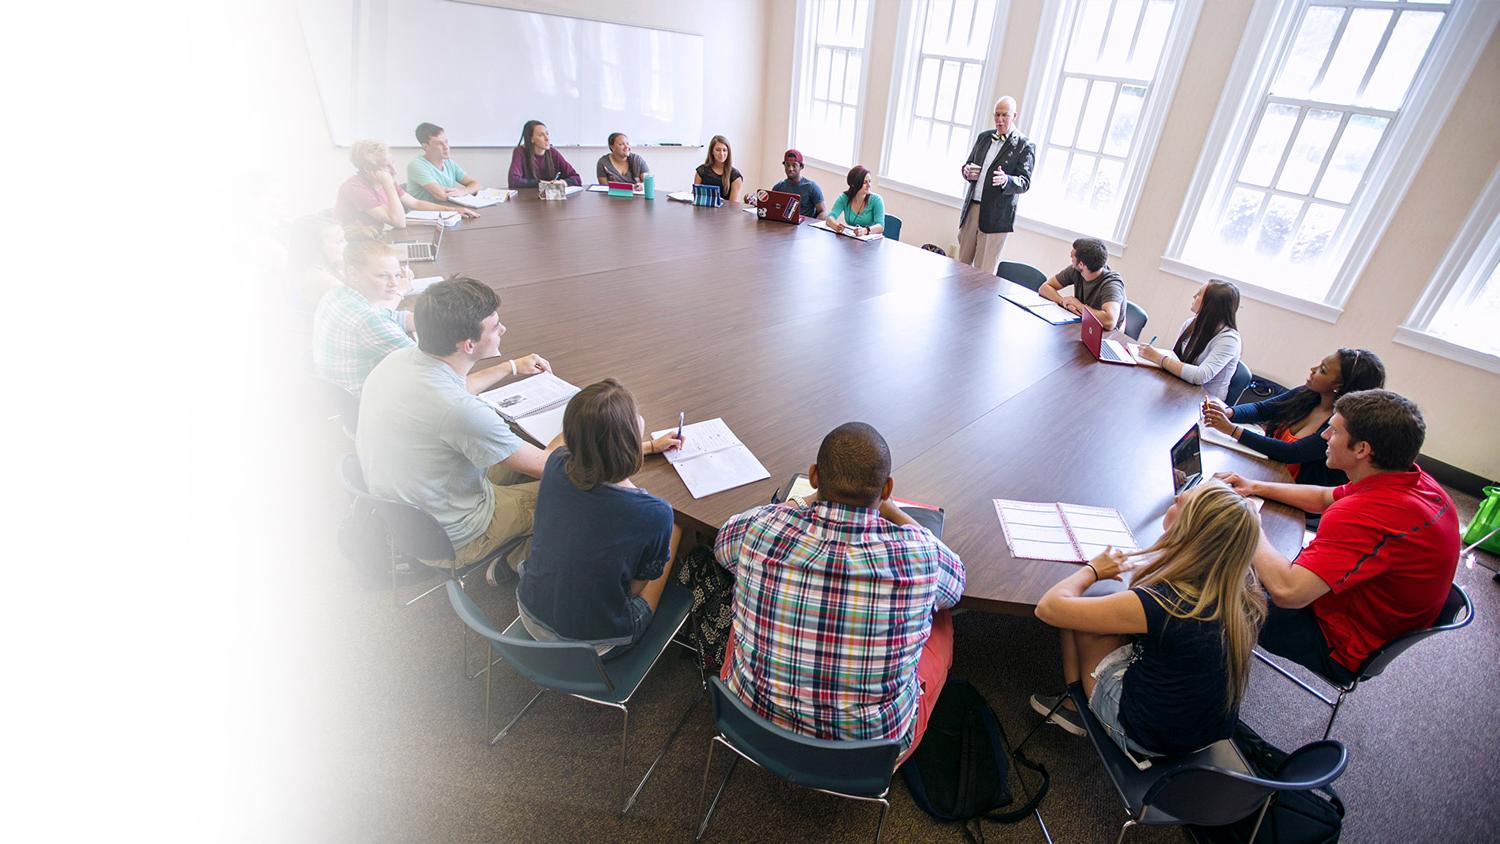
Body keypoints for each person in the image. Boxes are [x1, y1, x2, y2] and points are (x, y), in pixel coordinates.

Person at [714, 422, 965, 760]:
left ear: (815, 476)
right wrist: (889, 508)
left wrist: (802, 502)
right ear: (887, 487)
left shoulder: (760, 529)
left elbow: (723, 546)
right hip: (868, 754)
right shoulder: (920, 554)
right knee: (942, 619)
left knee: (746, 598)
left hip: (751, 722)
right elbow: (957, 582)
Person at [1215, 389, 1459, 684]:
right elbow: (1324, 496)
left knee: (1215, 574)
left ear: (1362, 449)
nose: (1324, 435)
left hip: (1340, 644)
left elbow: (1287, 591)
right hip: (1378, 616)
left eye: (1335, 430)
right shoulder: (1414, 481)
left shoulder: (1367, 515)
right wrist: (1254, 487)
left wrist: (1249, 522)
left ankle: (1192, 679)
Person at [1030, 481, 1266, 756]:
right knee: (1113, 619)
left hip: (1148, 735)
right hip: (1205, 732)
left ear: (1189, 531)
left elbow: (1048, 608)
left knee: (1080, 616)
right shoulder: (1243, 590)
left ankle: (1074, 706)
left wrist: (1092, 570)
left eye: (1181, 503)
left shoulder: (1164, 602)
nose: (1176, 496)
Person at [356, 278, 558, 577]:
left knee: (513, 451)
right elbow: (551, 465)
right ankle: (517, 561)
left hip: (415, 517)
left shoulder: (398, 361)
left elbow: (456, 388)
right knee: (576, 494)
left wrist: (510, 367)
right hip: (459, 535)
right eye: (495, 326)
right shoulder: (458, 411)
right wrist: (574, 420)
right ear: (469, 344)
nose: (503, 330)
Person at [516, 379, 685, 658]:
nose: (641, 419)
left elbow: (584, 449)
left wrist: (652, 446)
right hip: (594, 646)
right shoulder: (655, 513)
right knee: (677, 528)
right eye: (636, 418)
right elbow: (633, 590)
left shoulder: (556, 463)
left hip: (529, 612)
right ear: (630, 436)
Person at [1203, 348, 1386, 487]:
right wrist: (1229, 413)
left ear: (1338, 385)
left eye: (1322, 370)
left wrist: (1231, 429)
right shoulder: (1306, 394)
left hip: (1289, 491)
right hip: (1262, 470)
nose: (1312, 370)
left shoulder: (1340, 425)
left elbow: (1292, 452)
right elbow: (1262, 409)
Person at [312, 239, 414, 395]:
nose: (394, 283)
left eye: (397, 275)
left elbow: (389, 315)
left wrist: (431, 321)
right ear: (353, 274)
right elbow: (428, 365)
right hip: (367, 404)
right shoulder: (369, 320)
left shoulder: (337, 293)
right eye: (383, 276)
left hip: (338, 399)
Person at [958, 97, 1034, 274]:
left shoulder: (1024, 145)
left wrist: (1007, 180)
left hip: (996, 215)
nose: (1000, 120)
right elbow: (968, 164)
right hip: (972, 208)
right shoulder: (984, 137)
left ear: (1014, 116)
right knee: (961, 266)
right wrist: (967, 170)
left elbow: (1025, 182)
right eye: (997, 115)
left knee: (983, 272)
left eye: (1004, 115)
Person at [1136, 281, 1243, 401]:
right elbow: (1176, 359)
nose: (1194, 296)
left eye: (1199, 294)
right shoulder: (1190, 323)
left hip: (1206, 405)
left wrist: (1158, 357)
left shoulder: (1229, 340)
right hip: (1180, 390)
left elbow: (1200, 376)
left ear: (1211, 304)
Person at [335, 139, 478, 228]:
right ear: (368, 169)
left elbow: (416, 203)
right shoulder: (355, 189)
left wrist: (454, 211)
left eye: (393, 164)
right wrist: (389, 185)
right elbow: (398, 222)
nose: (395, 171)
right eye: (387, 167)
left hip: (375, 239)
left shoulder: (385, 181)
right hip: (357, 246)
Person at [1038, 237, 1125, 331]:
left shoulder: (1112, 284)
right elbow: (1045, 287)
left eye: (1072, 256)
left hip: (1106, 335)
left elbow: (1110, 321)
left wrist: (1078, 305)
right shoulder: (1076, 270)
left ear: (1081, 264)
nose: (1070, 257)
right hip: (1084, 325)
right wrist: (1064, 302)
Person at [406, 122, 482, 203]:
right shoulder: (416, 165)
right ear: (426, 147)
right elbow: (442, 196)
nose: (446, 147)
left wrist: (462, 192)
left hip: (449, 210)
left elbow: (476, 184)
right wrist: (469, 189)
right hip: (426, 214)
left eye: (446, 141)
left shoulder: (448, 162)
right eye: (440, 144)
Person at [745, 149, 825, 218]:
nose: (790, 169)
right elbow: (770, 208)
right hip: (781, 228)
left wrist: (811, 228)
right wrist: (756, 203)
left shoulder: (811, 187)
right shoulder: (778, 187)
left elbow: (823, 212)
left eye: (794, 165)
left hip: (803, 230)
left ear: (801, 167)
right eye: (787, 165)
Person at [287, 214, 346, 308]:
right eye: (339, 241)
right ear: (316, 249)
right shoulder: (323, 280)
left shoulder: (317, 269)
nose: (346, 245)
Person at [508, 120, 581, 189]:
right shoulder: (520, 152)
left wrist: (563, 182)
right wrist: (542, 184)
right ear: (531, 139)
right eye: (541, 135)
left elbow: (576, 178)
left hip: (550, 198)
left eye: (547, 134)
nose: (547, 138)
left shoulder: (552, 152)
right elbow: (513, 181)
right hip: (527, 199)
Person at [826, 166, 886, 237]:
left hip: (870, 243)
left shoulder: (877, 200)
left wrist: (864, 230)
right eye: (865, 182)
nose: (869, 185)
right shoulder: (844, 198)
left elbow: (880, 226)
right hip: (852, 239)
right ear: (853, 184)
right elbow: (830, 217)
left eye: (870, 181)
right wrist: (836, 226)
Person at [694, 135, 743, 203]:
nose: (721, 153)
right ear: (712, 151)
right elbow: (696, 198)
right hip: (701, 212)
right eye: (718, 150)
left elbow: (732, 206)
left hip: (724, 213)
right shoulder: (701, 171)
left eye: (724, 150)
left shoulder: (735, 176)